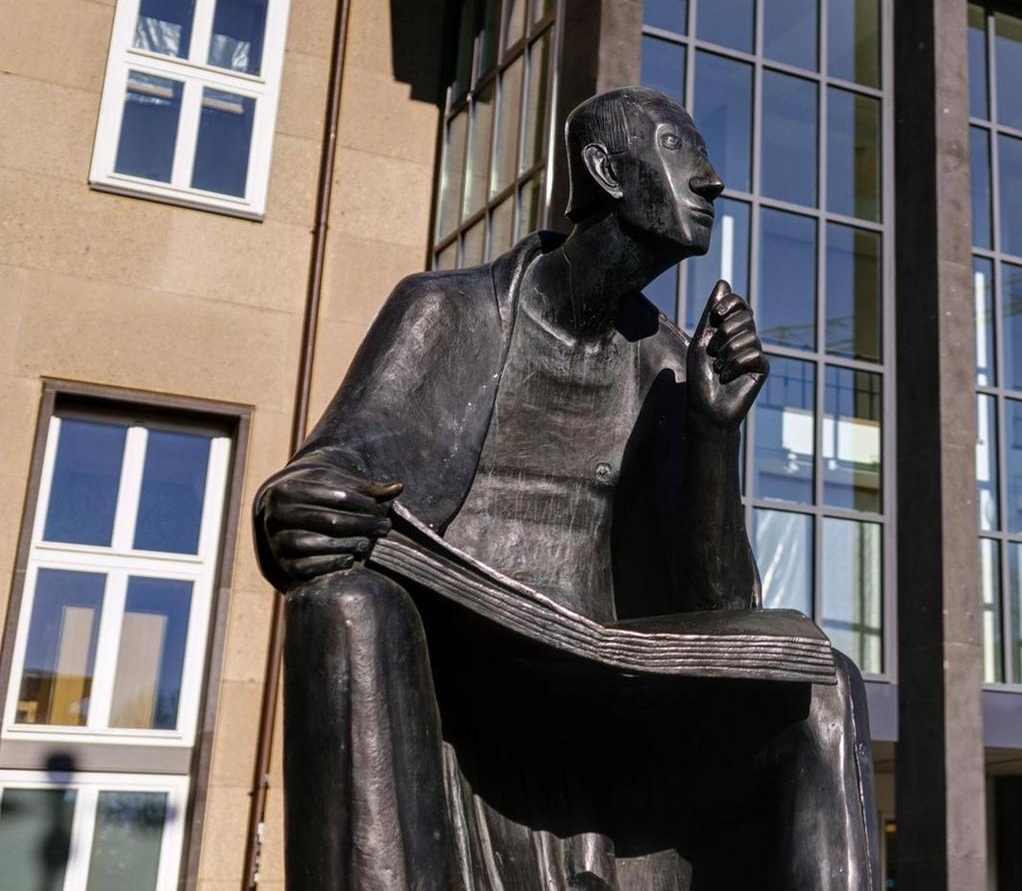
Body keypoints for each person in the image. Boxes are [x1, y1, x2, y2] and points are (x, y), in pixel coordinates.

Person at [252, 88, 878, 890]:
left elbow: (723, 603)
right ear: (606, 171)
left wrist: (714, 434)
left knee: (819, 681)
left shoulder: (668, 366)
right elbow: (336, 466)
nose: (713, 181)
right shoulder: (447, 311)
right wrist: (297, 505)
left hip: (614, 713)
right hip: (458, 690)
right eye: (679, 149)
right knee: (344, 603)